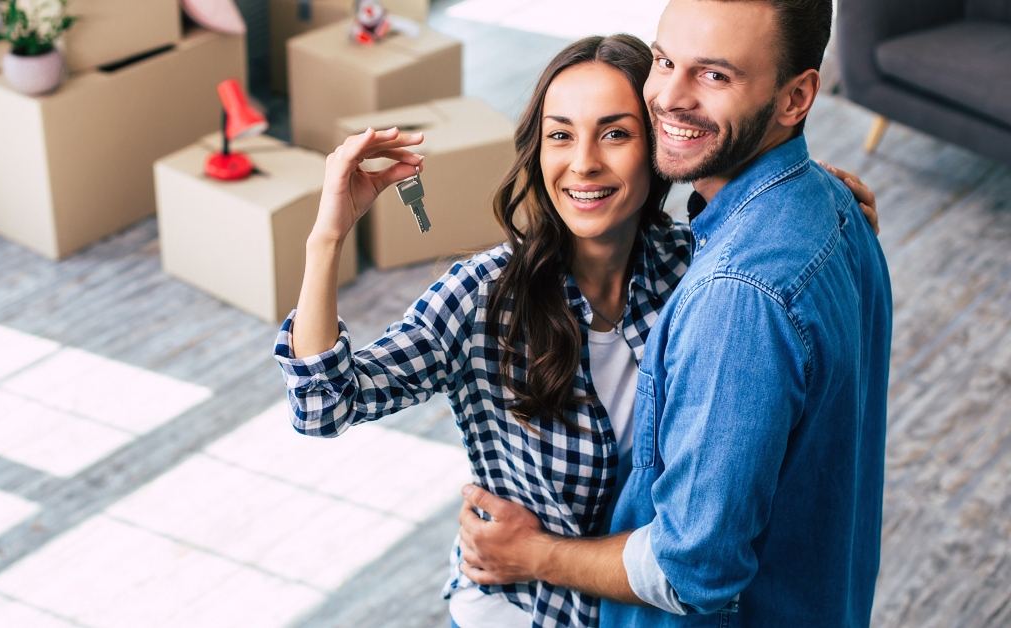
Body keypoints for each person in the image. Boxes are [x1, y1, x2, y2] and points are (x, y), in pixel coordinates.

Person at [273, 32, 878, 628]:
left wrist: (812, 191)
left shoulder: (695, 268)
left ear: (658, 145)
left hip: (631, 605)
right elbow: (324, 404)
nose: (583, 162)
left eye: (615, 133)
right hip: (519, 608)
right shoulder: (484, 297)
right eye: (560, 135)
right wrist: (326, 238)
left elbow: (763, 214)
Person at [455, 1, 893, 627]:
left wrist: (532, 553)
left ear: (795, 98)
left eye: (715, 75)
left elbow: (691, 572)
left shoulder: (738, 297)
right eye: (664, 61)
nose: (666, 97)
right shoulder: (834, 208)